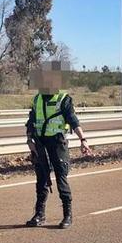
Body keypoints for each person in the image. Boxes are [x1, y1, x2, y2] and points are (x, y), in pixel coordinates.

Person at [25, 79, 91, 229]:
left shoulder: (63, 99)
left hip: (57, 143)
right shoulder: (37, 99)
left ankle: (67, 215)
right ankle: (39, 214)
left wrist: (83, 140)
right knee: (41, 179)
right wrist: (29, 140)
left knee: (61, 177)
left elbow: (73, 120)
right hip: (40, 144)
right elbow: (31, 121)